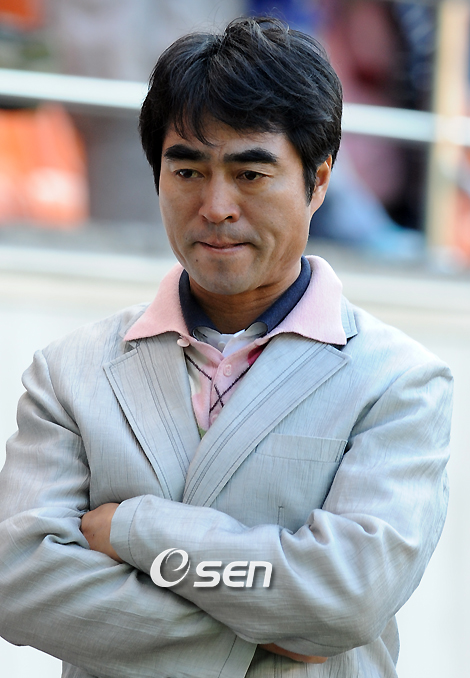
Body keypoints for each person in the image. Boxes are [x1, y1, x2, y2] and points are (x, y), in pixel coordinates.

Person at [0, 16, 452, 678]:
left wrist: (134, 531)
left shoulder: (398, 382)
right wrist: (265, 632)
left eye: (250, 174)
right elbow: (17, 578)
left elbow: (347, 598)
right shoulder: (71, 372)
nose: (215, 206)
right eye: (187, 170)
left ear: (319, 180)